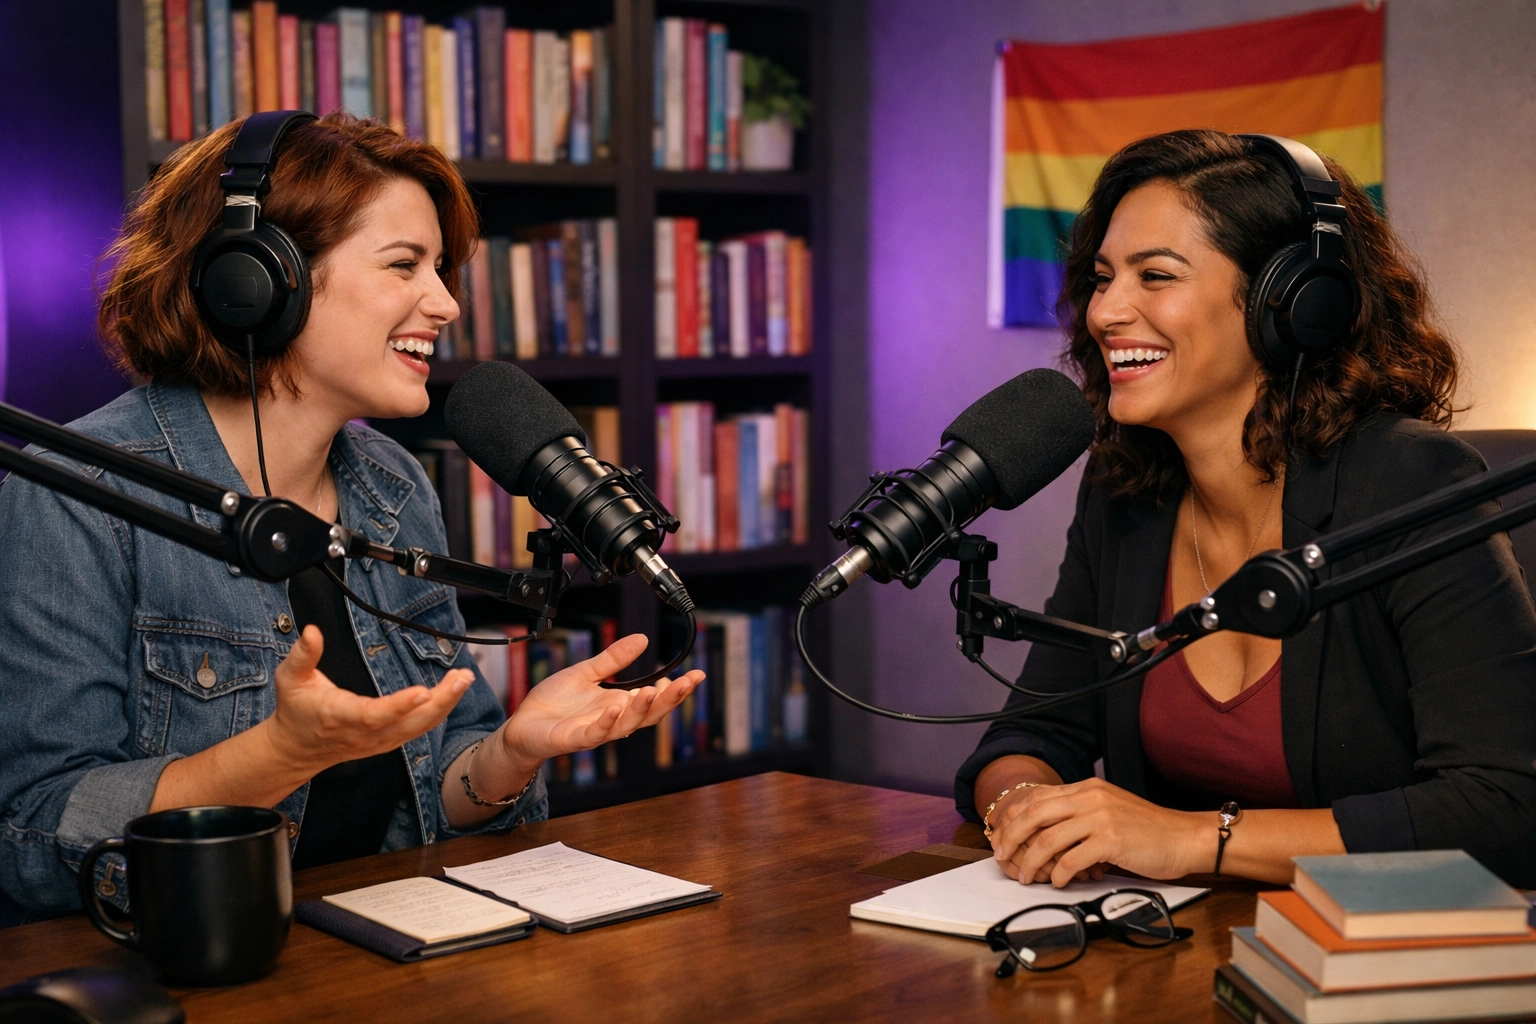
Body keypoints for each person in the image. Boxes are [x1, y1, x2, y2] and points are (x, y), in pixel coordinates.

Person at [0, 113, 701, 926]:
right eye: (405, 264)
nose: (443, 304)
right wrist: (274, 759)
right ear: (257, 280)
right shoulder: (79, 491)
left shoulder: (393, 484)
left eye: (441, 270)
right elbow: (29, 833)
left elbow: (432, 802)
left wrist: (509, 754)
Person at [954, 129, 1536, 888]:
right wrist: (1028, 805)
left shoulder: (1407, 480)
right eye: (1103, 278)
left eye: (1155, 275)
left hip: (1359, 966)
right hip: (1172, 957)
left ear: (1292, 304)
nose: (1106, 312)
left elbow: (1506, 807)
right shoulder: (1127, 491)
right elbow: (1034, 732)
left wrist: (1192, 841)